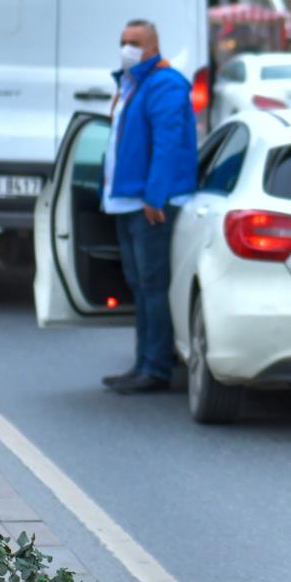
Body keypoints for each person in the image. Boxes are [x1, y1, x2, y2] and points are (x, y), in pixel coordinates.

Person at [101, 20, 198, 394]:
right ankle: (142, 362)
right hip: (127, 200)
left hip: (150, 203)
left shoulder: (165, 84)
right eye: (123, 41)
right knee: (140, 285)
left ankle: (155, 367)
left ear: (153, 46)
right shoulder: (132, 83)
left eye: (135, 42)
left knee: (153, 286)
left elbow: (168, 144)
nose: (127, 48)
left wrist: (155, 197)